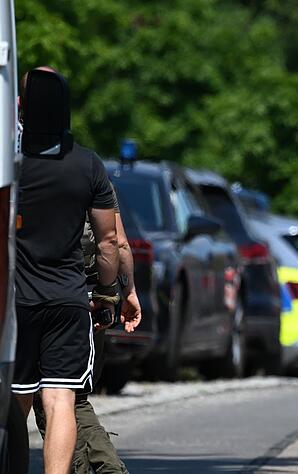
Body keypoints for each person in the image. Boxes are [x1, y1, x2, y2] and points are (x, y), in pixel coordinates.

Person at [12, 67, 121, 474]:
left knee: (15, 401)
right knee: (59, 401)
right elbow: (109, 240)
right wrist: (108, 292)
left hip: (17, 302)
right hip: (68, 300)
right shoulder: (87, 165)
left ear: (21, 106)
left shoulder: (11, 164)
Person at [33, 183, 141, 474]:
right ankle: (108, 469)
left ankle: (90, 469)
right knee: (73, 396)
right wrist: (126, 292)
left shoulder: (26, 170)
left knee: (53, 399)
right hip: (90, 296)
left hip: (37, 294)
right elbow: (116, 242)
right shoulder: (92, 172)